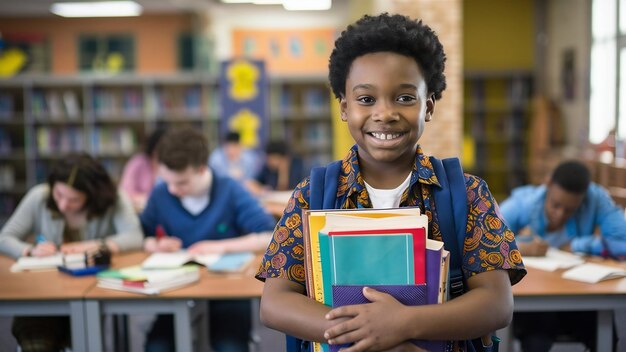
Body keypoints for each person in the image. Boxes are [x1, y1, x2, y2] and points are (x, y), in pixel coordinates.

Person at [255, 13, 526, 352]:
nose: (385, 113)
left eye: (404, 98)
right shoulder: (314, 194)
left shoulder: (467, 194)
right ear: (344, 108)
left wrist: (401, 324)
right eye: (366, 99)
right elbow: (275, 302)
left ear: (427, 107)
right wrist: (368, 334)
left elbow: (497, 304)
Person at [140, 126, 277, 352]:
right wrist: (154, 243)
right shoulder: (161, 192)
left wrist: (218, 247)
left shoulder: (230, 189)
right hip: (177, 289)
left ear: (202, 169)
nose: (173, 189)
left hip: (227, 290)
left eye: (182, 183)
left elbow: (269, 235)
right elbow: (142, 234)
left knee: (230, 347)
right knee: (157, 347)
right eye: (168, 181)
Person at [0, 153, 143, 352]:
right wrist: (29, 250)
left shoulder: (113, 199)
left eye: (74, 199)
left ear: (92, 195)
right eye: (59, 195)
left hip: (89, 293)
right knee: (37, 334)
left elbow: (135, 237)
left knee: (82, 334)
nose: (64, 205)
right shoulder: (39, 196)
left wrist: (96, 244)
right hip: (45, 290)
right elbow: (4, 238)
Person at [500, 160, 626, 351]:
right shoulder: (522, 203)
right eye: (555, 205)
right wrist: (521, 248)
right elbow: (489, 241)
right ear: (547, 184)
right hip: (535, 298)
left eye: (570, 210)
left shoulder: (595, 198)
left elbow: (622, 243)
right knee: (536, 340)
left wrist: (579, 244)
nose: (560, 214)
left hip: (581, 293)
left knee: (607, 334)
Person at [119, 127, 167, 212]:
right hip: (138, 209)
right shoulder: (138, 162)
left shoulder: (170, 165)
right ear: (153, 147)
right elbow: (125, 190)